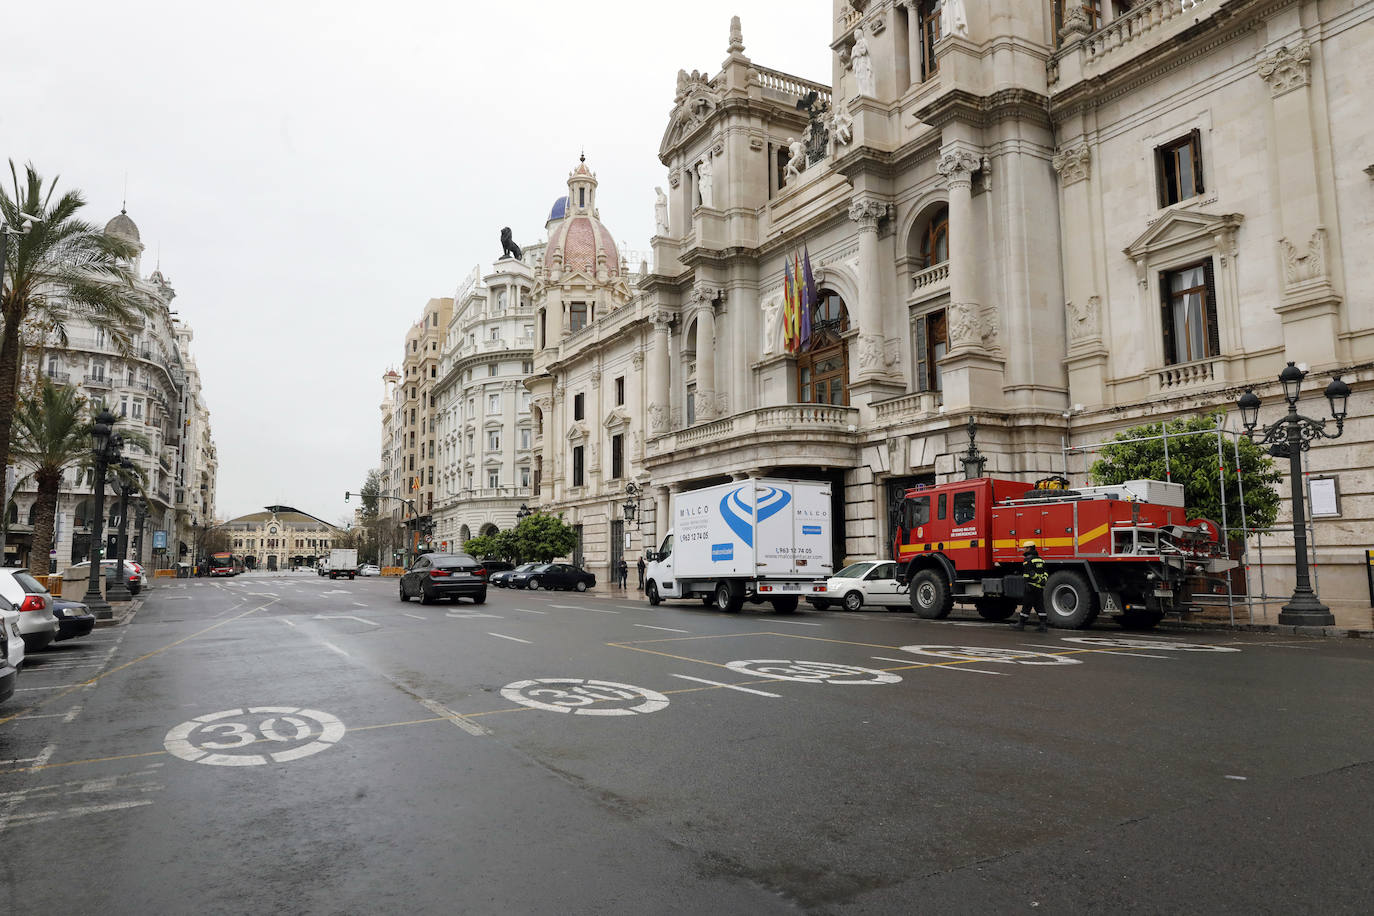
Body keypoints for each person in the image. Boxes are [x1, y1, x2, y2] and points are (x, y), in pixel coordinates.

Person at [1011, 541, 1048, 631]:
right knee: (1040, 605)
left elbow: (1029, 574)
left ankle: (1021, 624)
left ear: (1029, 548)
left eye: (1025, 548)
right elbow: (1045, 572)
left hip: (1030, 586)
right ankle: (1043, 625)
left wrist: (1028, 582)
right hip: (1040, 587)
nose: (1024, 549)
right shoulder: (1041, 559)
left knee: (1026, 605)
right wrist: (1042, 581)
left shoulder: (1027, 560)